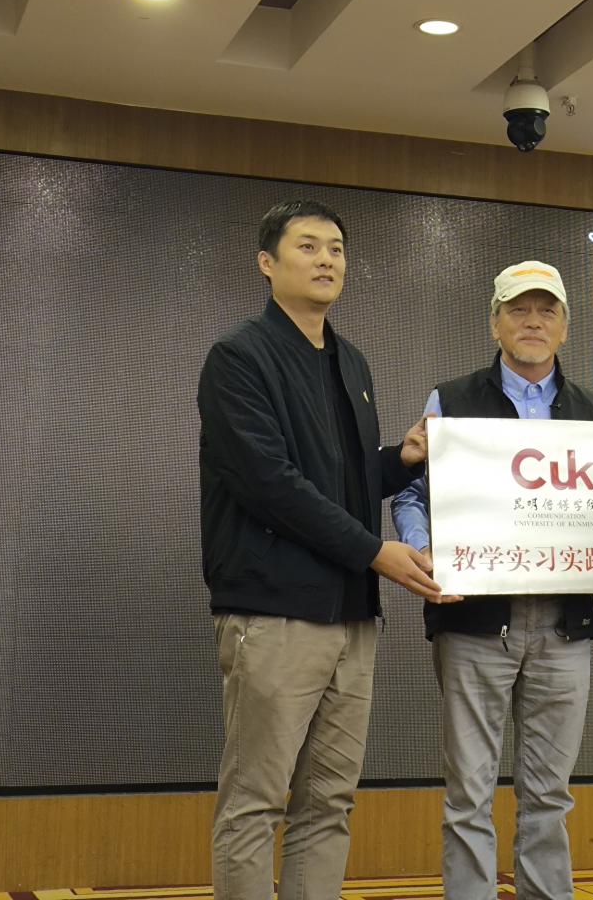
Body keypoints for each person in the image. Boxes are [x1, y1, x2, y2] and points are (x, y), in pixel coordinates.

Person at [197, 200, 453, 900]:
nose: (326, 260)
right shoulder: (239, 357)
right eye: (308, 246)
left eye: (336, 248)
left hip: (351, 614)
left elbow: (344, 480)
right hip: (275, 612)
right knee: (256, 802)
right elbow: (270, 484)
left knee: (329, 802)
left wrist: (399, 461)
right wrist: (376, 552)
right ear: (267, 262)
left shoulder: (351, 360)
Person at [392, 261, 593, 900]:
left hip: (564, 627)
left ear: (565, 327)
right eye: (518, 309)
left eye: (547, 310)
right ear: (495, 323)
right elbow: (412, 492)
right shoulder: (450, 400)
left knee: (550, 795)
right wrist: (423, 549)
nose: (533, 321)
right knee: (468, 795)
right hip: (474, 622)